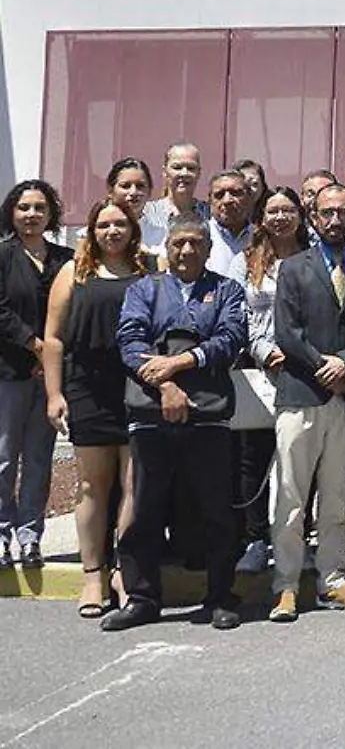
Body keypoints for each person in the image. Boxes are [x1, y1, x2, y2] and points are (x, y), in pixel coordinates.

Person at [103, 215, 247, 632]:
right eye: (179, 243)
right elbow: (130, 341)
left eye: (195, 243)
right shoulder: (143, 290)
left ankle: (220, 596)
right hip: (150, 416)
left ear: (207, 247)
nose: (187, 251)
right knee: (145, 509)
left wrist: (181, 361)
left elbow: (229, 338)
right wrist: (167, 387)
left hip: (209, 418)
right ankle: (143, 597)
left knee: (216, 510)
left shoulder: (226, 290)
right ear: (166, 246)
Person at [269, 183, 345, 621]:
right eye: (326, 213)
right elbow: (286, 332)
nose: (335, 220)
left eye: (343, 212)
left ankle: (333, 580)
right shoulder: (292, 268)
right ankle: (287, 585)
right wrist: (323, 366)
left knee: (337, 495)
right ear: (313, 217)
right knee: (290, 495)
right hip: (301, 394)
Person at [41, 198, 144, 616]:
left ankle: (124, 569)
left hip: (136, 389)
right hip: (87, 388)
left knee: (134, 484)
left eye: (120, 224)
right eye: (104, 225)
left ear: (132, 229)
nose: (112, 231)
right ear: (92, 230)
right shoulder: (74, 272)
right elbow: (53, 338)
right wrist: (55, 394)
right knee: (92, 485)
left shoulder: (147, 270)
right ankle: (92, 575)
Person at [234, 187, 309, 575]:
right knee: (255, 456)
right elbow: (240, 313)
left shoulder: (312, 259)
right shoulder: (248, 261)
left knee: (300, 459)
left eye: (288, 210)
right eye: (273, 211)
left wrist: (300, 356)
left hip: (306, 370)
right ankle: (255, 539)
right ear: (261, 218)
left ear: (300, 214)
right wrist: (266, 352)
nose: (280, 217)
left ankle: (299, 540)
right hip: (260, 366)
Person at [0, 180, 72, 571]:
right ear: (12, 213)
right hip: (9, 371)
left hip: (51, 377)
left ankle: (30, 537)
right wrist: (34, 345)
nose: (31, 215)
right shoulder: (3, 256)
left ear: (51, 213)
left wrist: (51, 356)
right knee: (3, 457)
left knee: (40, 459)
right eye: (24, 207)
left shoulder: (66, 259)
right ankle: (1, 534)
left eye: (39, 208)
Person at [140, 141, 209, 245]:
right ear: (165, 172)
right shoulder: (147, 213)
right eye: (177, 167)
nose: (184, 173)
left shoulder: (210, 214)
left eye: (190, 168)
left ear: (199, 172)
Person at [105, 157, 163, 254]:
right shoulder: (91, 235)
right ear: (111, 190)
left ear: (149, 191)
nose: (133, 192)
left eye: (140, 186)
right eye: (125, 186)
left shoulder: (162, 237)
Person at [202, 170, 253, 279]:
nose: (227, 200)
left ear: (250, 198)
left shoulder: (263, 238)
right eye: (219, 195)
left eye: (235, 193)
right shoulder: (197, 237)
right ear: (210, 200)